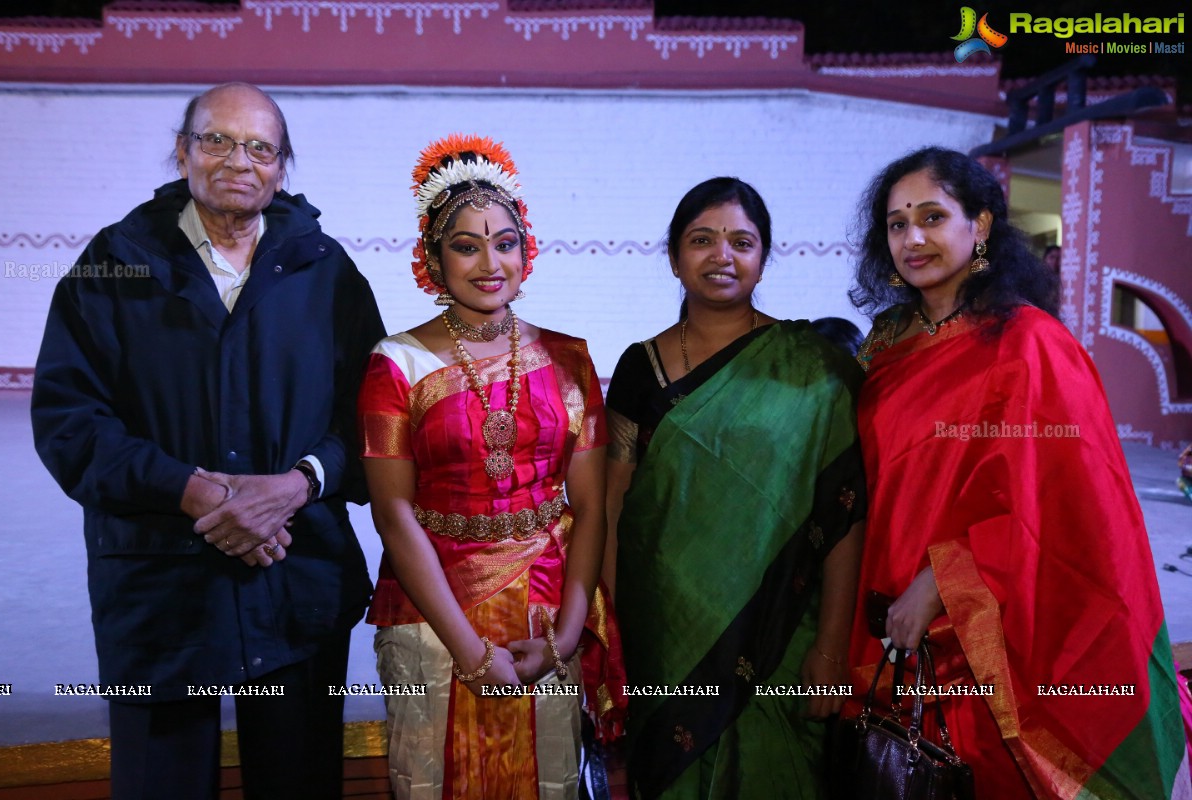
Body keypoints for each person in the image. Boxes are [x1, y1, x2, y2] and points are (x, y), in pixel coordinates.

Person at [31, 82, 385, 799]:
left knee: (298, 782)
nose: (238, 160)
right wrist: (196, 493)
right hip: (161, 587)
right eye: (216, 140)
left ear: (282, 166)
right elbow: (69, 420)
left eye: (260, 146)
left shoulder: (326, 272)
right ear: (182, 151)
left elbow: (372, 417)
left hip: (296, 579)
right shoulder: (116, 264)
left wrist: (297, 485)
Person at [849, 146, 1190, 798]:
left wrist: (943, 579)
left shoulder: (1029, 344)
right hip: (890, 618)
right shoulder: (888, 343)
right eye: (896, 224)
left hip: (997, 631)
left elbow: (1071, 503)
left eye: (931, 216)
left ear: (978, 226)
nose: (912, 238)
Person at [357, 134, 625, 799]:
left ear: (525, 252)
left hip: (545, 609)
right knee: (430, 781)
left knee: (551, 780)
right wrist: (469, 651)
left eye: (504, 242)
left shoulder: (569, 360)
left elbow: (590, 505)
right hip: (432, 615)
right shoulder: (397, 364)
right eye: (465, 245)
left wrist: (564, 639)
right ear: (431, 258)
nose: (488, 262)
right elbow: (394, 513)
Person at [605, 177, 866, 799]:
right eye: (702, 240)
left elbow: (845, 514)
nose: (722, 255)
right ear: (673, 256)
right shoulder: (639, 366)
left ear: (763, 258)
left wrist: (831, 646)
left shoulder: (817, 372)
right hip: (664, 635)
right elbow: (613, 505)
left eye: (741, 241)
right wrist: (619, 632)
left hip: (778, 630)